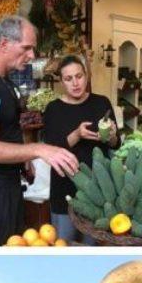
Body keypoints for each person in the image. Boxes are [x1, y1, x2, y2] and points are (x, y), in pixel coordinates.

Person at [0, 16, 79, 247]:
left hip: (11, 187)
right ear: (4, 44)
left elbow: (9, 128)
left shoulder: (6, 83)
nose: (32, 55)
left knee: (16, 245)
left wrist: (25, 160)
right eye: (27, 48)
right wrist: (38, 149)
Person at [43, 55, 121, 244]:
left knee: (91, 246)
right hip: (65, 189)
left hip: (97, 189)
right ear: (61, 82)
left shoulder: (102, 102)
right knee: (63, 244)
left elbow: (116, 144)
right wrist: (76, 135)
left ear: (86, 76)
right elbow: (50, 149)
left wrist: (111, 137)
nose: (75, 83)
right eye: (68, 79)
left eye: (79, 76)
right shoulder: (53, 109)